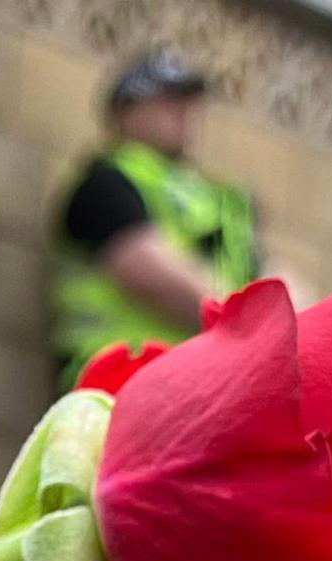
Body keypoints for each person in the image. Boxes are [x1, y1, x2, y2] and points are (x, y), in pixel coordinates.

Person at [50, 50, 261, 384]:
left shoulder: (217, 199)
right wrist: (254, 329)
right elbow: (146, 269)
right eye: (169, 100)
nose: (186, 112)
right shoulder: (108, 181)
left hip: (192, 389)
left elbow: (267, 272)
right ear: (125, 113)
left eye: (191, 101)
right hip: (110, 385)